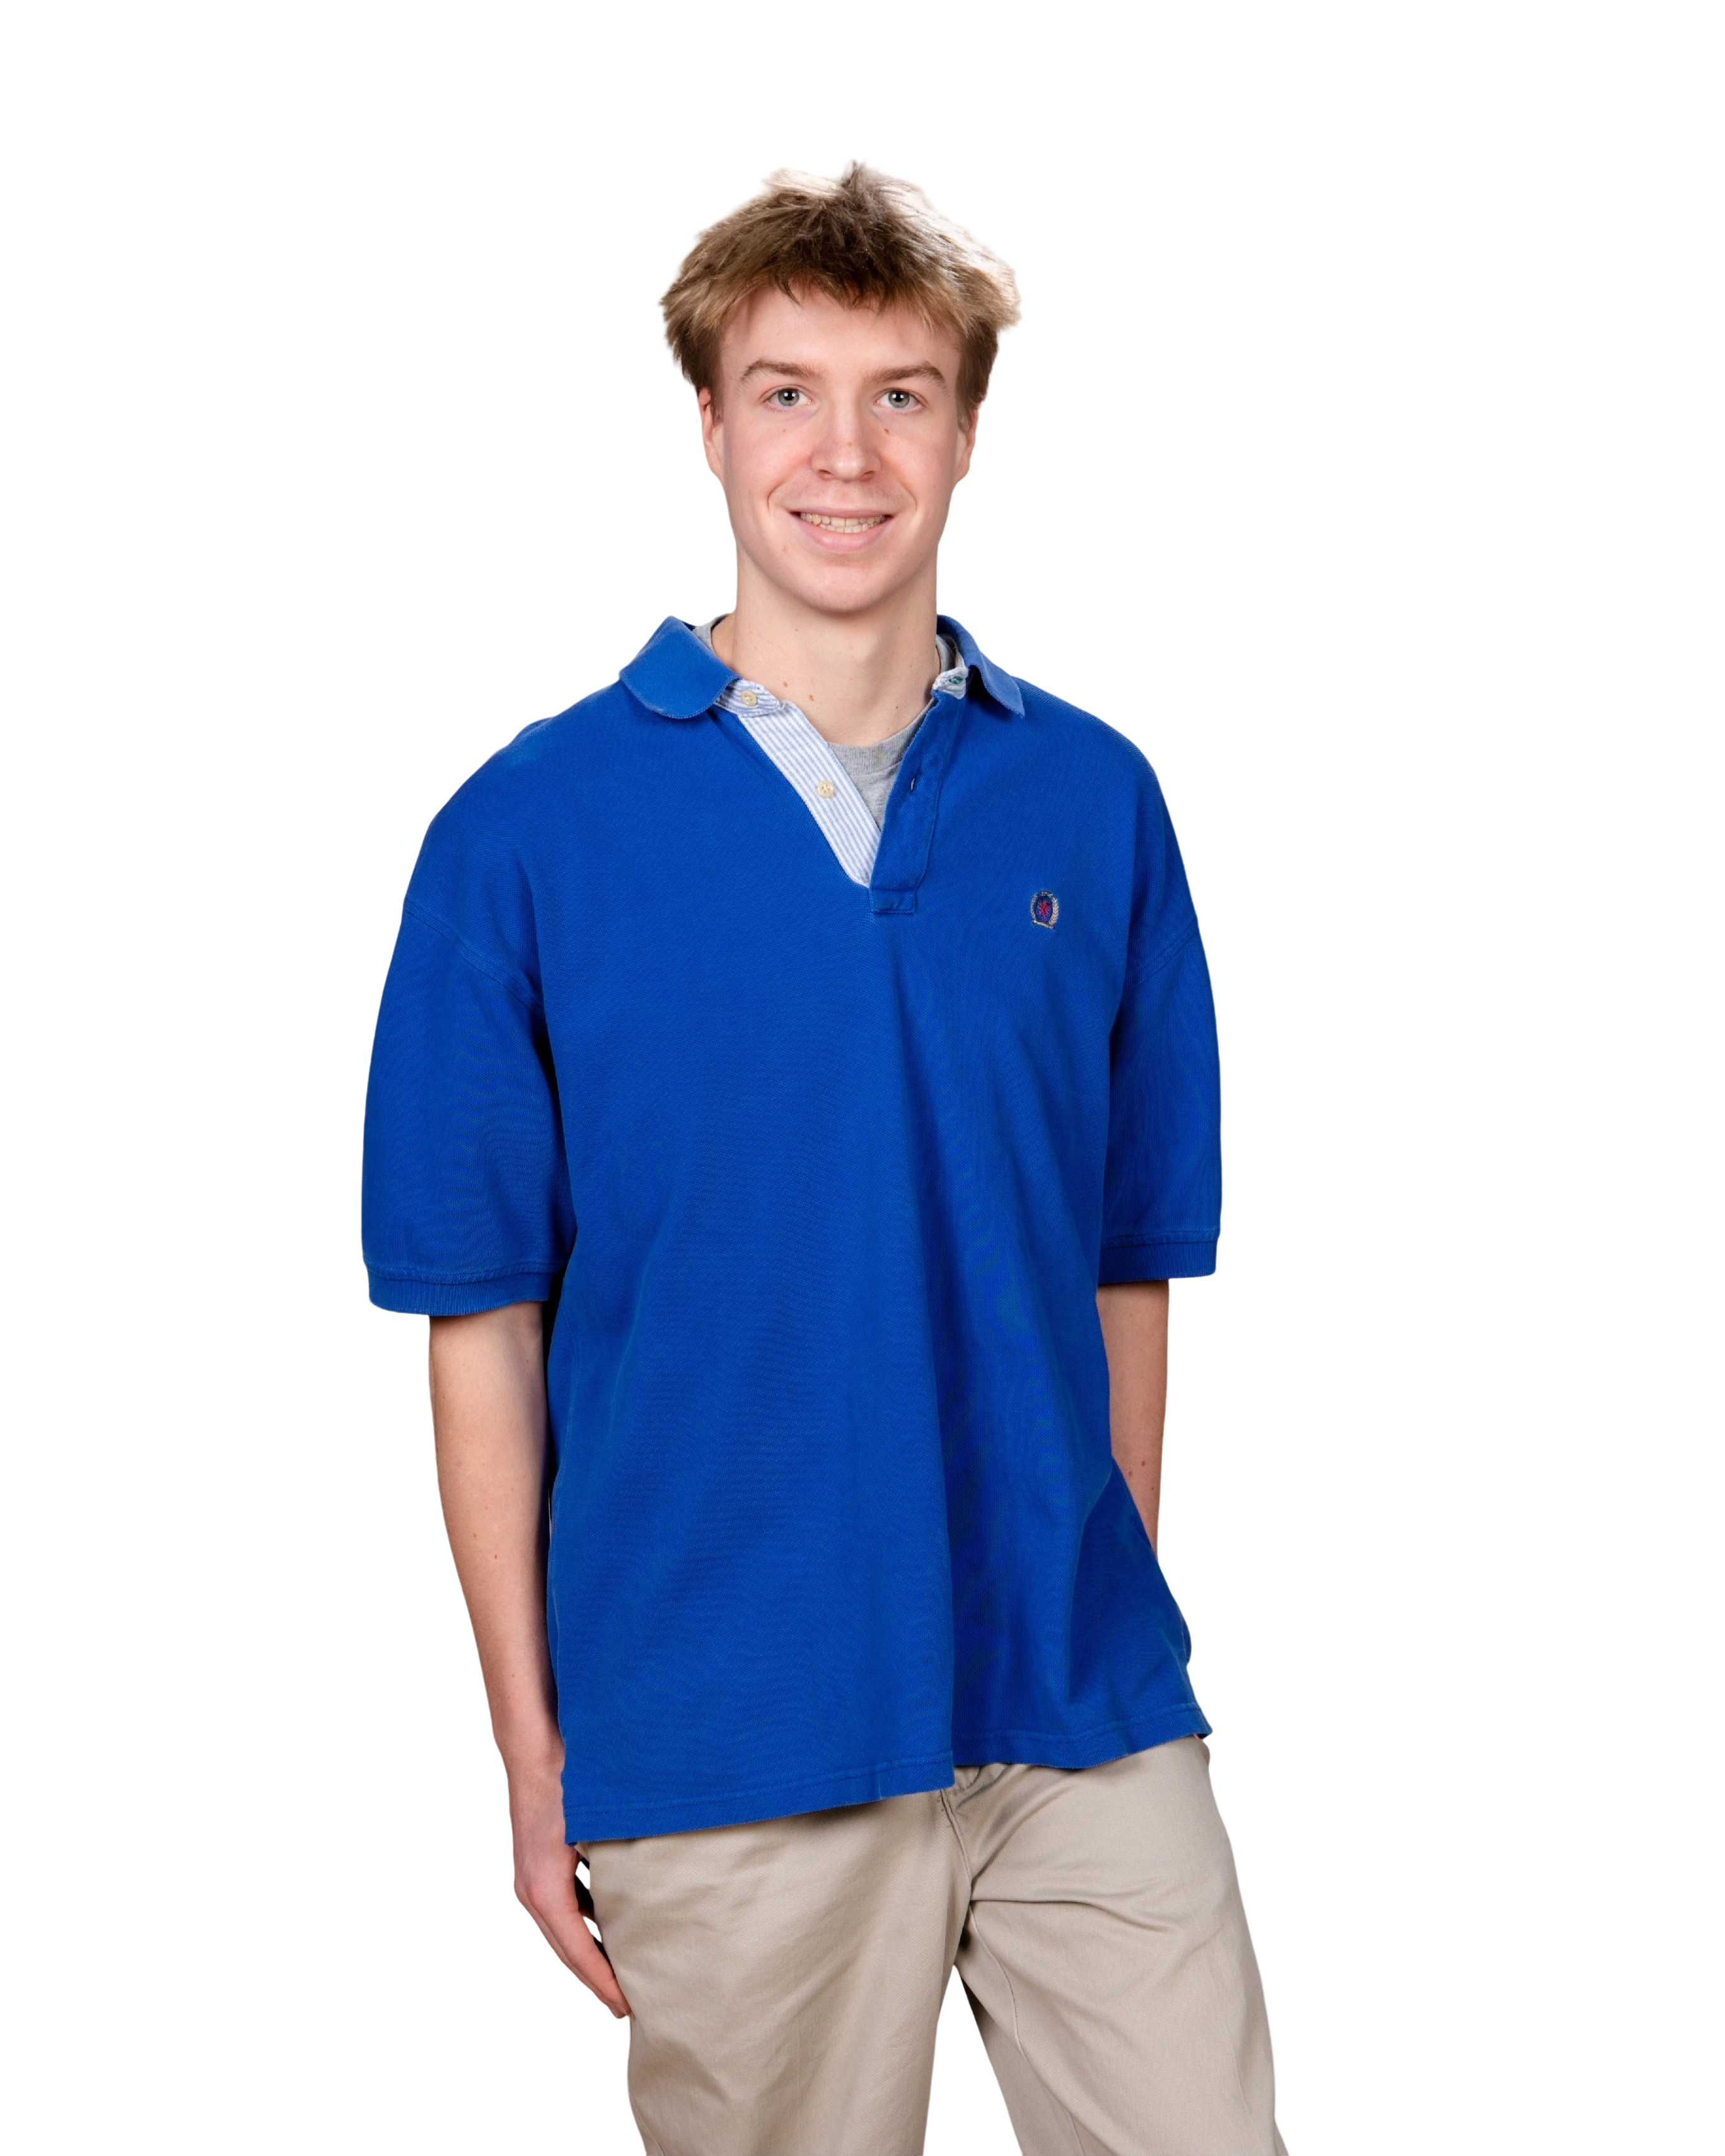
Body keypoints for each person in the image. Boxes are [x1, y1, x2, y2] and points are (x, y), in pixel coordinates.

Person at [359, 156, 1287, 2156]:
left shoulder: (1097, 799)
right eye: (788, 392)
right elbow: (480, 1331)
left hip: (1079, 1704)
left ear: (967, 433)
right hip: (730, 1723)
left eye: (902, 395)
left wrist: (1115, 1583)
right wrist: (531, 1750)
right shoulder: (522, 834)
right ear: (710, 423)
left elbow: (1128, 1265)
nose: (845, 455)